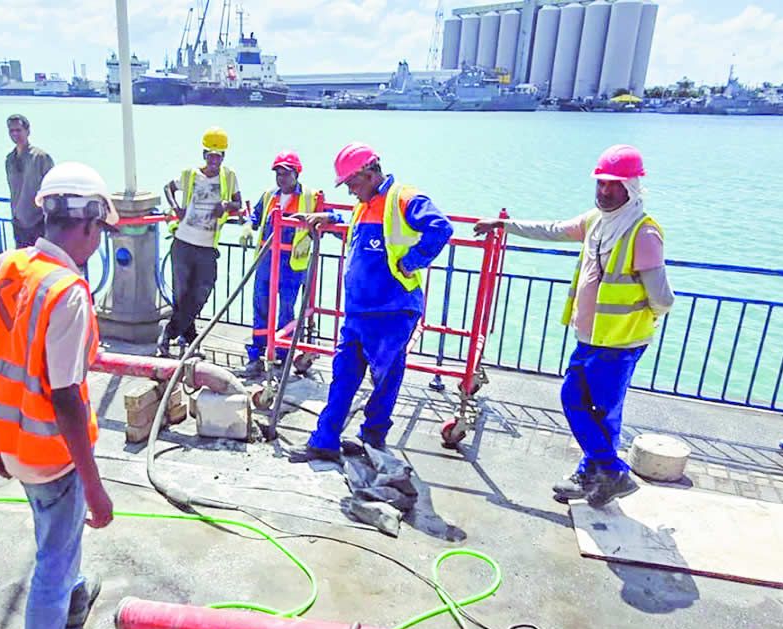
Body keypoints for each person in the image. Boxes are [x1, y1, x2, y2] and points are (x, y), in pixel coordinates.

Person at [0, 161, 115, 629]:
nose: (99, 239)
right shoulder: (68, 293)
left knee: (53, 533)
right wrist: (95, 486)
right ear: (87, 223)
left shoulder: (2, 269)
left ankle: (76, 591)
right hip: (50, 455)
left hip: (11, 443)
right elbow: (65, 399)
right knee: (51, 566)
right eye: (100, 228)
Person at [474, 145, 674, 508]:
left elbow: (662, 297)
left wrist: (643, 321)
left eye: (613, 185)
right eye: (601, 183)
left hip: (619, 343)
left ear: (631, 187)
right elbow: (552, 230)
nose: (604, 191)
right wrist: (504, 225)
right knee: (574, 400)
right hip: (590, 337)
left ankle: (597, 475)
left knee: (603, 413)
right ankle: (607, 472)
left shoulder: (643, 233)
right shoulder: (597, 222)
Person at [289, 143, 453, 464]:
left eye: (351, 183)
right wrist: (328, 217)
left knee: (384, 379)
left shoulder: (404, 198)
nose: (350, 191)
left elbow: (440, 227)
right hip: (358, 312)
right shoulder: (364, 206)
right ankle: (324, 441)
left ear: (368, 173)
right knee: (343, 375)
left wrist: (412, 261)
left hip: (392, 310)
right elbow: (355, 232)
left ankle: (372, 437)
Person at [158, 126, 243, 358]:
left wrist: (226, 205)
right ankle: (189, 339)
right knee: (182, 295)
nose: (214, 161)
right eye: (210, 156)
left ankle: (169, 332)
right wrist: (176, 208)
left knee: (201, 292)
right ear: (204, 155)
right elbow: (168, 187)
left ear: (223, 157)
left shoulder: (229, 177)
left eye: (218, 156)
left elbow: (238, 202)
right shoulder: (190, 175)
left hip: (207, 247)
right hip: (183, 243)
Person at [240, 150, 324, 377]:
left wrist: (322, 223)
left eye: (286, 173)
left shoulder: (311, 197)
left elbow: (328, 222)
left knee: (287, 311)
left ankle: (282, 355)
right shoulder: (269, 195)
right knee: (261, 309)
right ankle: (257, 356)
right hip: (266, 264)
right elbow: (255, 216)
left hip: (291, 268)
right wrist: (247, 226)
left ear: (296, 174)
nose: (281, 178)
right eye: (278, 173)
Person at [6, 114, 55, 249]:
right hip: (18, 223)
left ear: (28, 131)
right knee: (23, 259)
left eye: (18, 130)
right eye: (11, 131)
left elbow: (53, 189)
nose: (15, 134)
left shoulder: (40, 157)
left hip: (39, 222)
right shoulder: (10, 160)